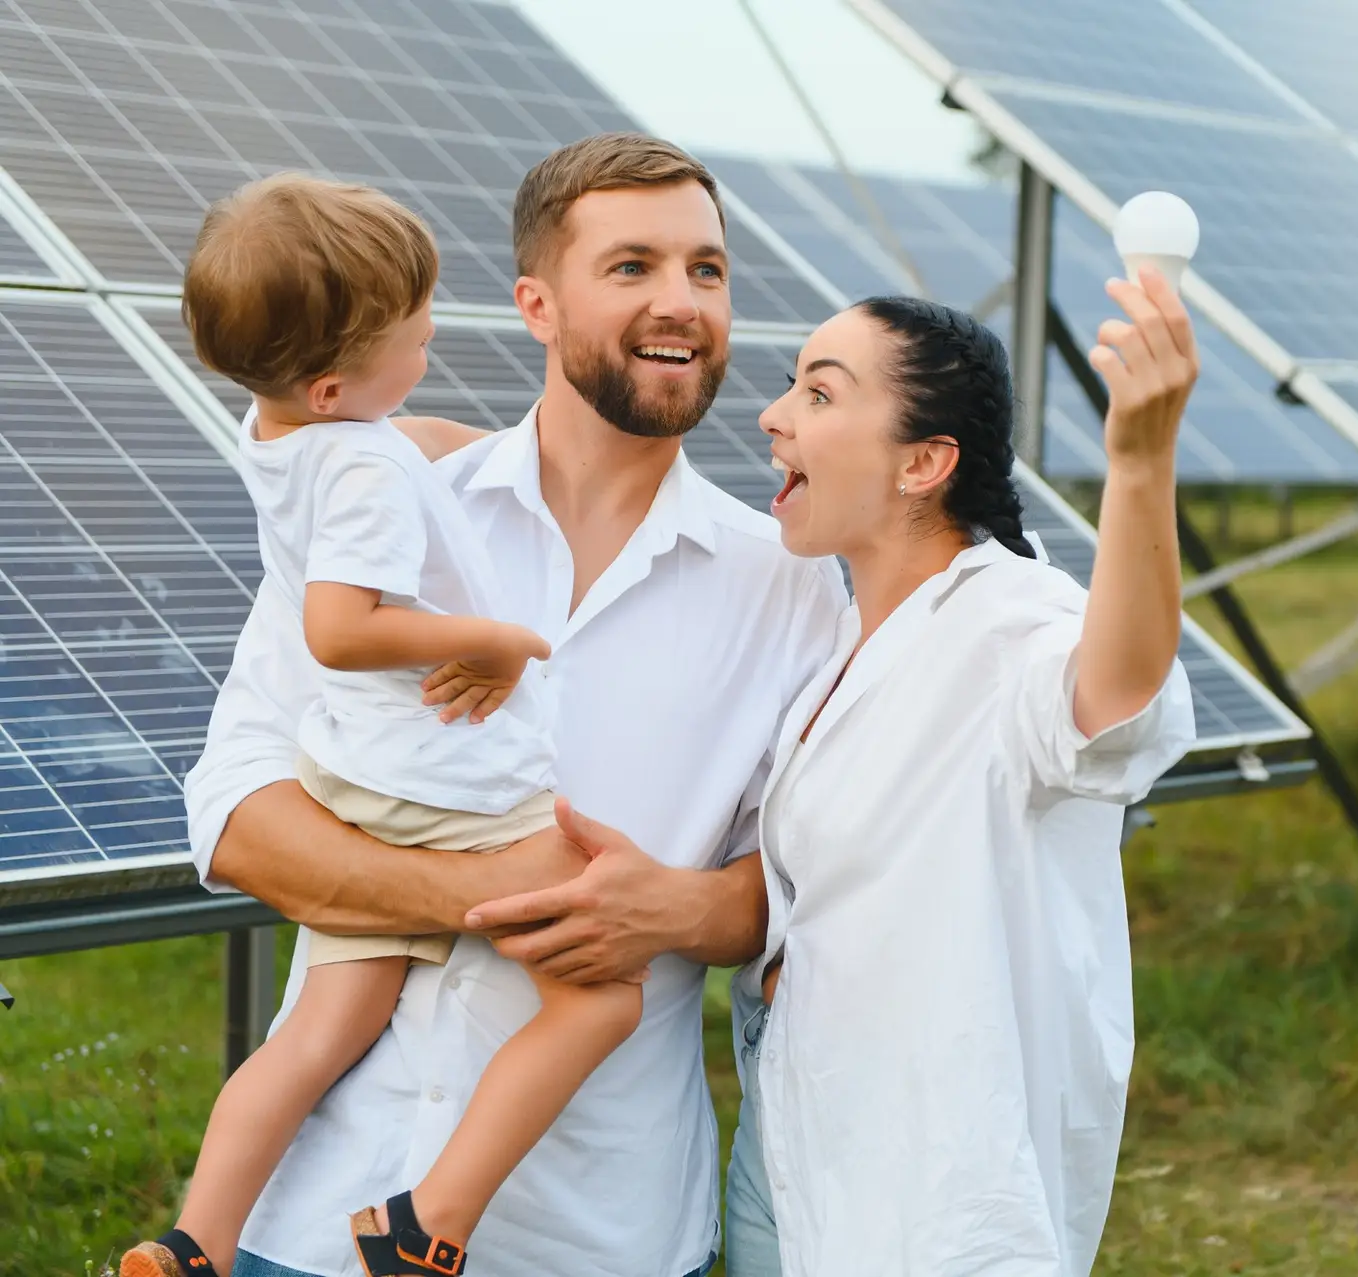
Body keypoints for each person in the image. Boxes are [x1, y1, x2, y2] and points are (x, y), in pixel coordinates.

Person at [180, 134, 844, 1277]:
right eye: (631, 266)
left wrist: (669, 910)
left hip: (596, 1229)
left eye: (708, 269)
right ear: (536, 302)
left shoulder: (788, 581)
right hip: (317, 1212)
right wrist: (479, 891)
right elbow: (238, 814)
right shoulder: (391, 506)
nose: (680, 301)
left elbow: (800, 890)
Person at [469, 278, 1200, 1275]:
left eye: (819, 394)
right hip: (796, 1151)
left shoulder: (1009, 620)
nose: (772, 416)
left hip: (934, 1186)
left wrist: (1141, 463)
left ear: (924, 462)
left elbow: (1113, 694)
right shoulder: (841, 642)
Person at [127, 172, 652, 1277]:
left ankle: (193, 1241)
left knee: (322, 1029)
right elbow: (339, 626)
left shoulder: (282, 431)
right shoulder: (363, 457)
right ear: (329, 385)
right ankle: (426, 1222)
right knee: (604, 991)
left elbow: (393, 453)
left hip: (357, 777)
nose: (425, 352)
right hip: (447, 785)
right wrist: (494, 637)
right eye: (410, 340)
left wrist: (437, 443)